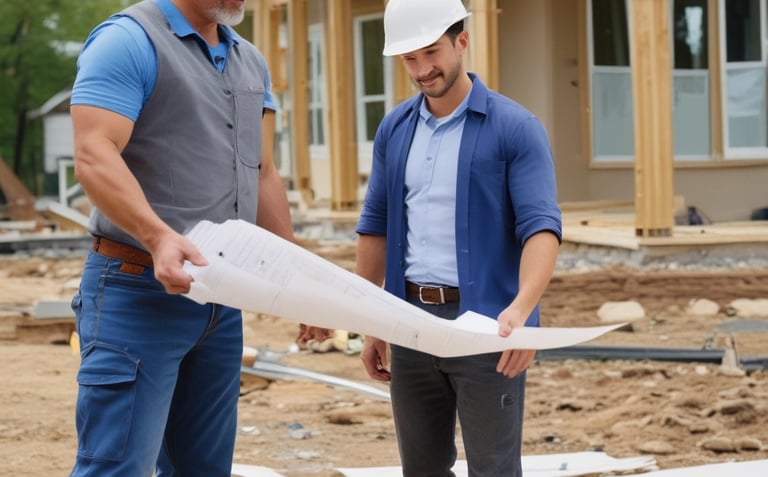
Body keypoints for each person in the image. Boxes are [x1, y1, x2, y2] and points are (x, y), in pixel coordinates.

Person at [69, 0, 326, 475]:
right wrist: (158, 236)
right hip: (137, 292)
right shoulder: (128, 41)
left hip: (219, 302)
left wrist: (299, 283)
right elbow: (93, 153)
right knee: (116, 468)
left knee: (203, 469)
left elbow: (263, 172)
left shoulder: (250, 59)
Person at [355, 0, 562, 475]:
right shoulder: (394, 129)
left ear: (461, 41)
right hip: (408, 323)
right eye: (410, 58)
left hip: (489, 327)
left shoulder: (516, 128)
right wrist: (371, 320)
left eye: (432, 52)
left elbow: (542, 229)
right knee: (421, 468)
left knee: (493, 467)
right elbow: (376, 225)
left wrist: (524, 311)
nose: (423, 69)